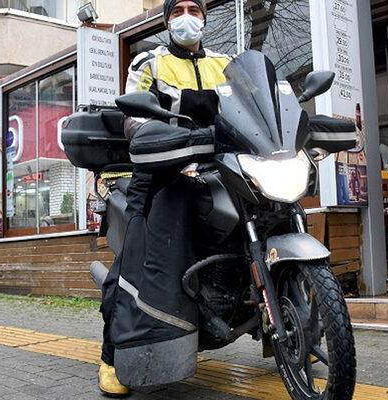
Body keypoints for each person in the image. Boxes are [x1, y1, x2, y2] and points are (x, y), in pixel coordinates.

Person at [97, 0, 230, 396]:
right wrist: (153, 134)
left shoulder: (226, 63)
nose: (186, 16)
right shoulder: (148, 63)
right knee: (135, 255)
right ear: (167, 19)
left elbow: (256, 103)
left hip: (221, 167)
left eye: (194, 8)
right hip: (162, 168)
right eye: (177, 10)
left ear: (204, 18)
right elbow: (133, 118)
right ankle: (110, 355)